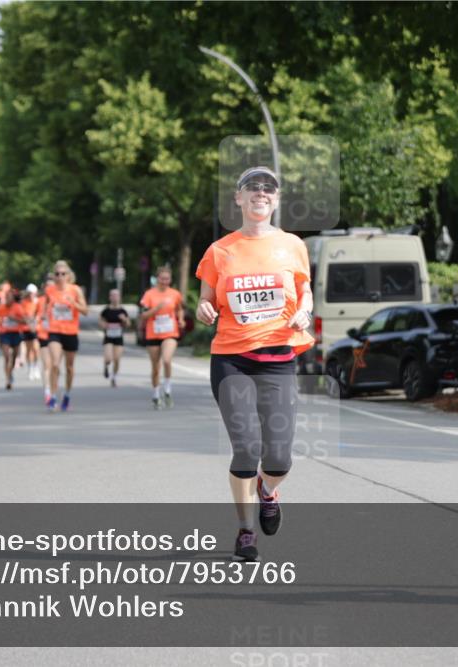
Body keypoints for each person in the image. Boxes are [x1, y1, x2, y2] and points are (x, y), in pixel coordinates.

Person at [195, 166, 314, 562]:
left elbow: (305, 291)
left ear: (276, 200)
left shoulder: (293, 246)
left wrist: (305, 314)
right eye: (253, 187)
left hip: (278, 360)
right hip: (231, 360)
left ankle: (269, 491)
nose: (261, 192)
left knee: (278, 457)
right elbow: (205, 300)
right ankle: (246, 531)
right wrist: (205, 308)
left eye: (269, 188)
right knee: (247, 449)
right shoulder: (219, 251)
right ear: (239, 198)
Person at [43, 261, 88, 412]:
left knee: (69, 367)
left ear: (69, 276)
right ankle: (53, 396)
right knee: (55, 364)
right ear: (53, 276)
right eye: (57, 274)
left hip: (71, 332)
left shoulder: (75, 290)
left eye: (63, 274)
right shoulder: (49, 290)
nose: (60, 276)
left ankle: (67, 394)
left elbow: (85, 311)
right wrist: (43, 318)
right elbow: (45, 308)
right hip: (55, 331)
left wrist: (73, 303)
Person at [139, 266, 184, 408]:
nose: (165, 281)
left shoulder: (175, 294)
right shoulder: (149, 294)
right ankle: (156, 394)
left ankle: (168, 389)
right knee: (155, 367)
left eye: (167, 279)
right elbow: (143, 315)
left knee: (166, 359)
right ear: (157, 279)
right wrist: (157, 309)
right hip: (153, 333)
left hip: (170, 333)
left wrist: (181, 319)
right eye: (162, 278)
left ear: (170, 280)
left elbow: (179, 308)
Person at [0, 288, 28, 390]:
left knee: (14, 356)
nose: (7, 299)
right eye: (6, 297)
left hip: (16, 333)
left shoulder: (18, 307)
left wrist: (14, 319)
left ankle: (11, 372)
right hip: (5, 333)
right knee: (6, 356)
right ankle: (8, 379)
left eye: (9, 297)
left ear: (13, 299)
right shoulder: (1, 308)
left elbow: (25, 321)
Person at [100, 288, 130, 387]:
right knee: (108, 358)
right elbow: (101, 321)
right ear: (110, 297)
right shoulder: (106, 310)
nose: (115, 297)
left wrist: (124, 320)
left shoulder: (123, 311)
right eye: (112, 295)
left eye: (116, 295)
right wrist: (104, 325)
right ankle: (106, 366)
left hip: (118, 337)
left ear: (119, 297)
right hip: (108, 336)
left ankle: (114, 377)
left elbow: (128, 324)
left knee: (117, 359)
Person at [36, 274, 54, 404]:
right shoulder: (40, 301)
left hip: (57, 335)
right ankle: (47, 391)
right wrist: (39, 318)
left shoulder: (59, 299)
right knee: (47, 364)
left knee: (55, 366)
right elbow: (34, 315)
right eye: (47, 286)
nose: (50, 288)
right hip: (43, 335)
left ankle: (53, 389)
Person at [21, 283, 41, 380]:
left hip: (36, 328)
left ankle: (36, 366)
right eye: (29, 293)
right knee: (29, 350)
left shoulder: (37, 302)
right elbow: (23, 315)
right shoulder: (24, 302)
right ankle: (30, 368)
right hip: (26, 328)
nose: (31, 295)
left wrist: (36, 320)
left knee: (36, 349)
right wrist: (28, 321)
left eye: (32, 293)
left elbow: (39, 313)